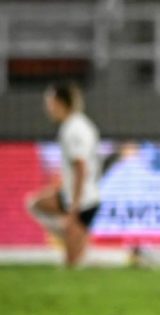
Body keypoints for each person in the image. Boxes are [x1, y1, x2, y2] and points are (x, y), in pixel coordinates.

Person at [26, 82, 101, 267]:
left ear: (60, 103)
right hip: (78, 196)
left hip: (83, 202)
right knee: (35, 204)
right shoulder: (76, 124)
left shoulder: (74, 129)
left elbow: (81, 168)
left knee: (73, 264)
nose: (48, 108)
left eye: (50, 103)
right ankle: (73, 236)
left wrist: (73, 209)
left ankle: (76, 237)